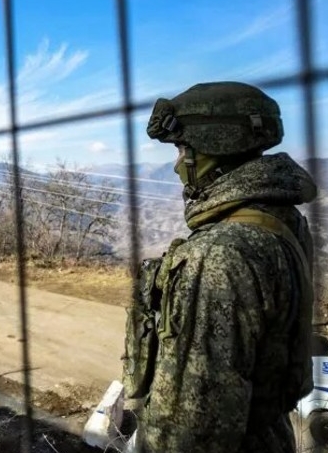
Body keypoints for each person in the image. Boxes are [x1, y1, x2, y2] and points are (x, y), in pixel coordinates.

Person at [123, 82, 317, 453]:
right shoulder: (281, 222)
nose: (178, 163)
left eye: (182, 149)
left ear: (214, 148)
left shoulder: (219, 254)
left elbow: (192, 428)